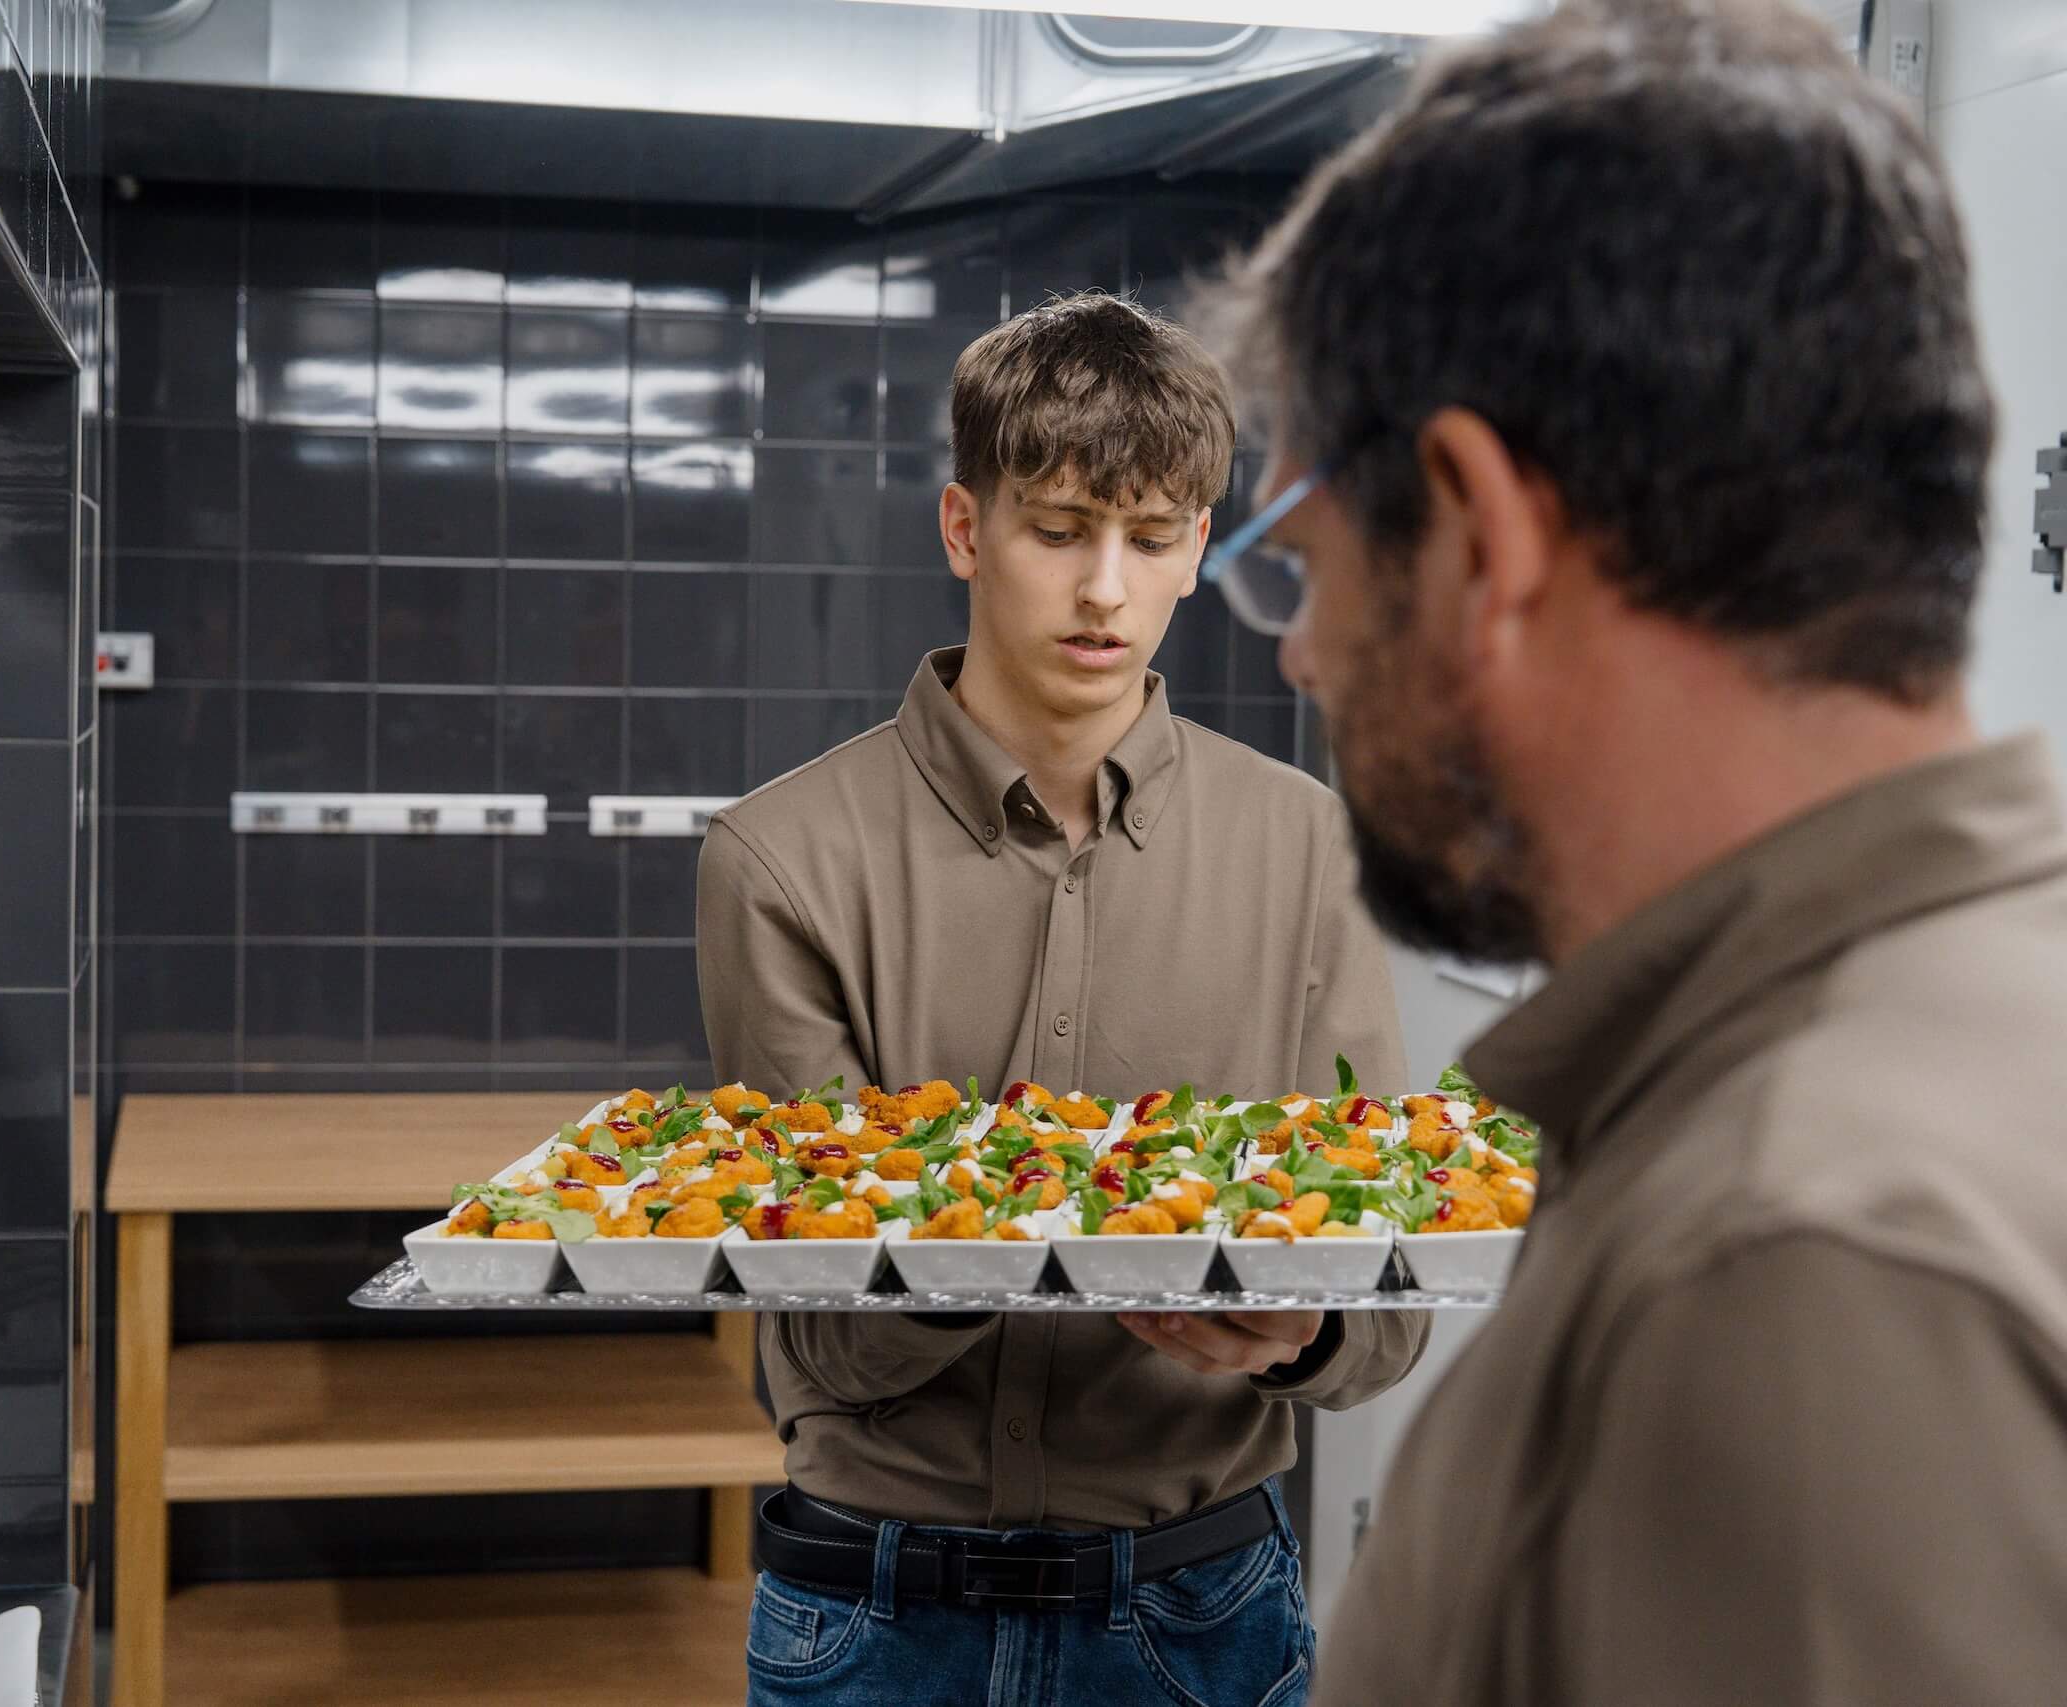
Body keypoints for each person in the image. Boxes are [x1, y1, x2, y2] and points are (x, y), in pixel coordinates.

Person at [1128, 2, 2067, 1702]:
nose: (1300, 656)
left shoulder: (1793, 1272)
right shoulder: (1964, 1043)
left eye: (1301, 568)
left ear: (1481, 536)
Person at [696, 290, 1429, 1707]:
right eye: (1058, 530)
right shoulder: (779, 858)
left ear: (1197, 550)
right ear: (967, 529)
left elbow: (1387, 1304)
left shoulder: (1309, 852)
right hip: (874, 1616)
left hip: (1202, 1615)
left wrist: (1304, 1327)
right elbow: (833, 1326)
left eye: (1150, 540)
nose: (1105, 589)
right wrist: (1066, 1219)